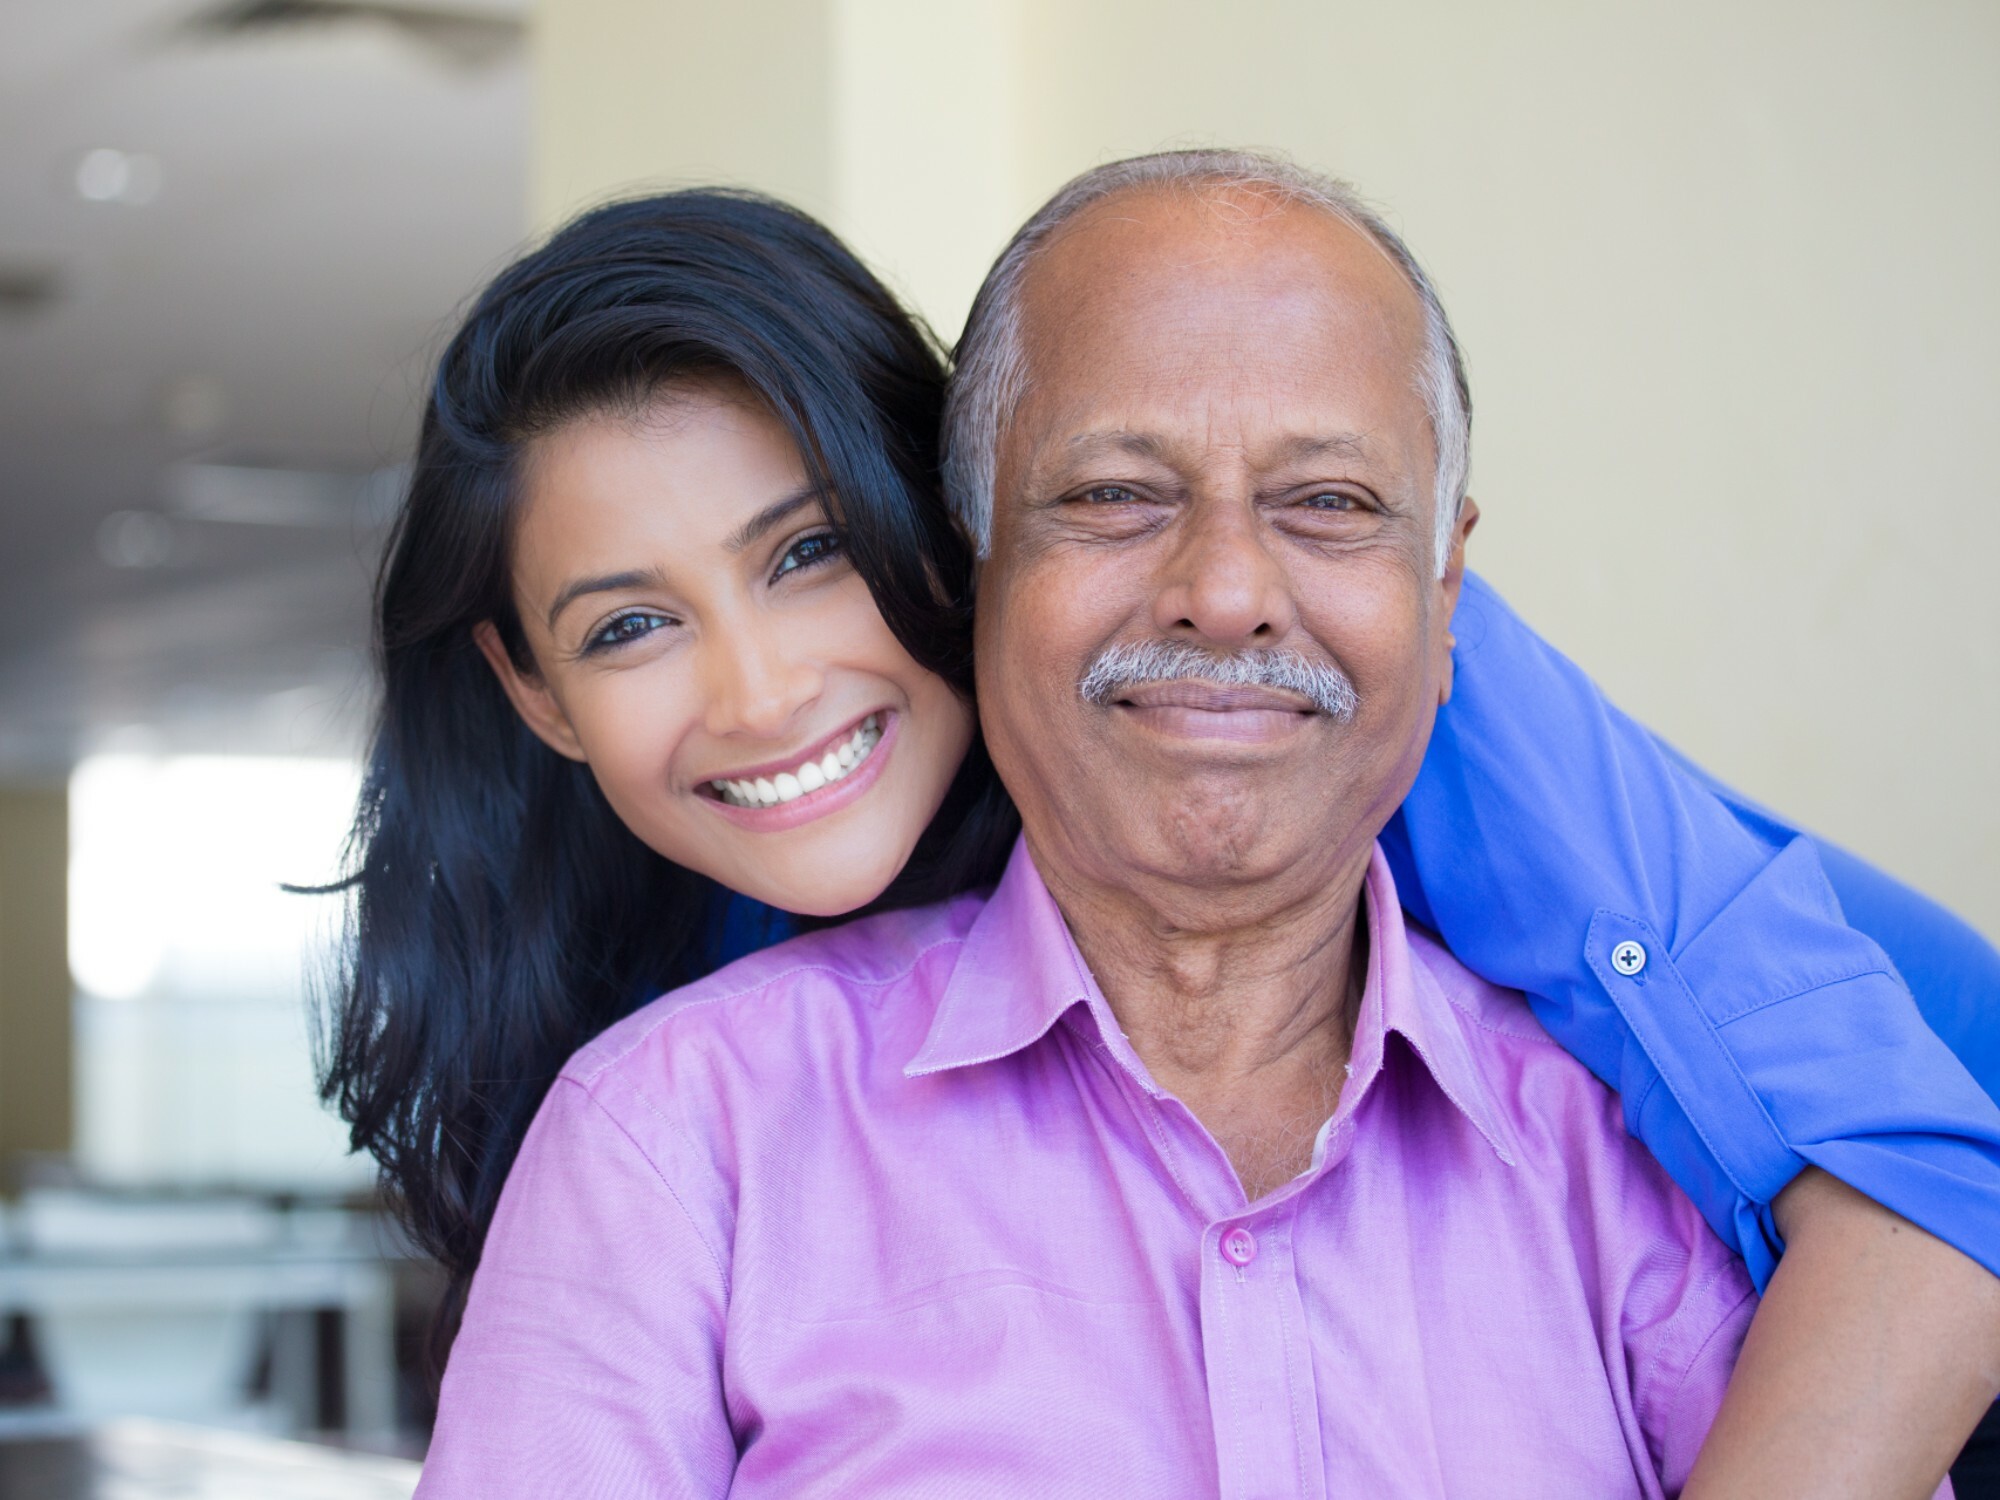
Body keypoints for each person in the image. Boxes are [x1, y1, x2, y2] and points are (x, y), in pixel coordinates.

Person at [322, 176, 2000, 1490]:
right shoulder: (678, 1072)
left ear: (943, 531)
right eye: (628, 627)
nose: (760, 695)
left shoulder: (1369, 713)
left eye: (807, 553)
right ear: (534, 692)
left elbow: (1928, 1193)